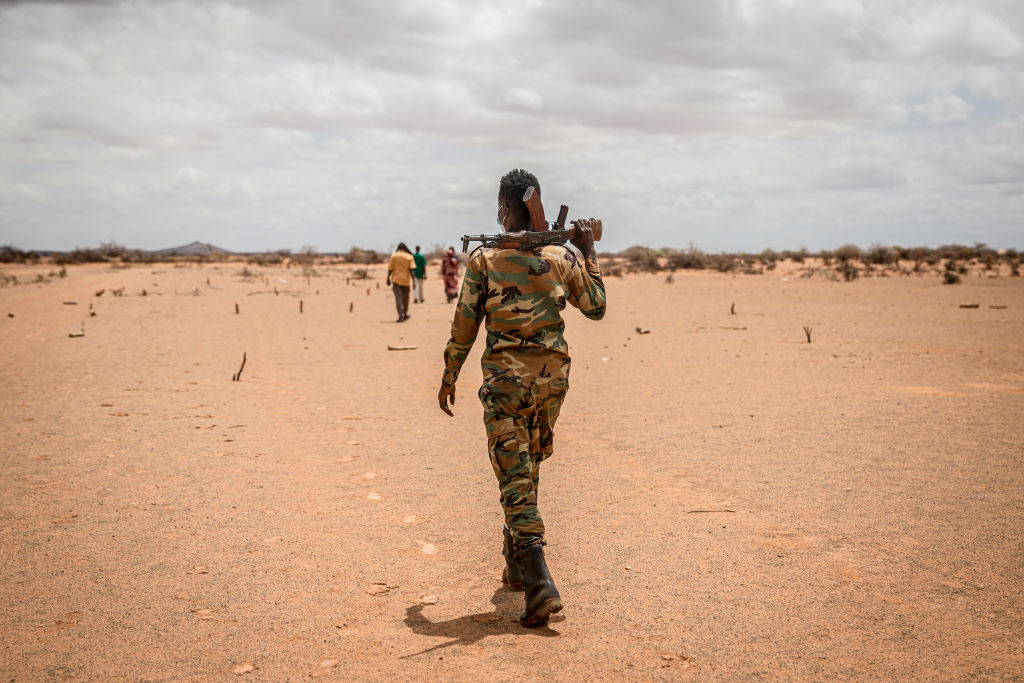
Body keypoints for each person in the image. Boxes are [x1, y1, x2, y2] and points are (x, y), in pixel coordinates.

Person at [436, 168, 606, 627]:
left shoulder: (485, 263)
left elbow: (465, 325)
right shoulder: (563, 258)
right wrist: (589, 253)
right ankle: (515, 563)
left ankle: (539, 583)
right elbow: (596, 307)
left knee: (514, 476)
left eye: (501, 205)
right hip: (552, 385)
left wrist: (450, 372)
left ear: (506, 209)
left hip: (506, 387)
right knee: (523, 469)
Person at [386, 242, 415, 322]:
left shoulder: (394, 256)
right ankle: (405, 313)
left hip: (396, 280)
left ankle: (400, 316)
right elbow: (412, 270)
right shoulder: (409, 257)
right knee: (406, 299)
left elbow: (390, 269)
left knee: (398, 299)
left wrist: (387, 278)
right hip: (406, 281)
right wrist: (414, 281)